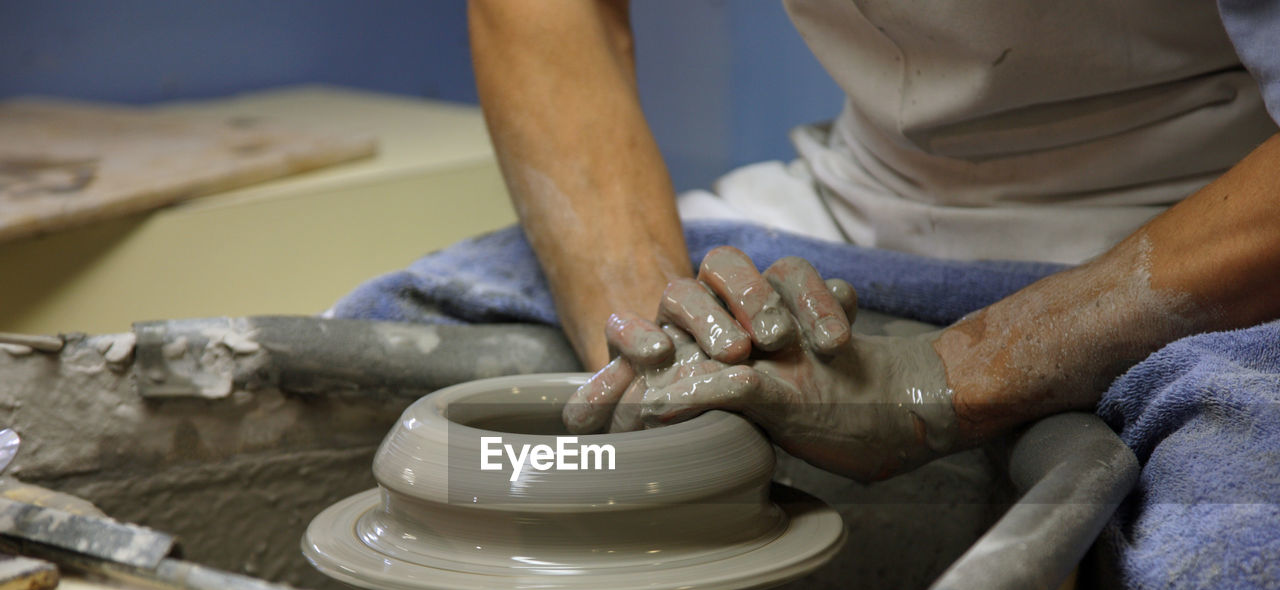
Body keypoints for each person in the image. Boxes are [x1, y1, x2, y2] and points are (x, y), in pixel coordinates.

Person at [467, 0, 1280, 480]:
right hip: (864, 192)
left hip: (1214, 230)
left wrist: (950, 379)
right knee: (379, 360)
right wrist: (653, 339)